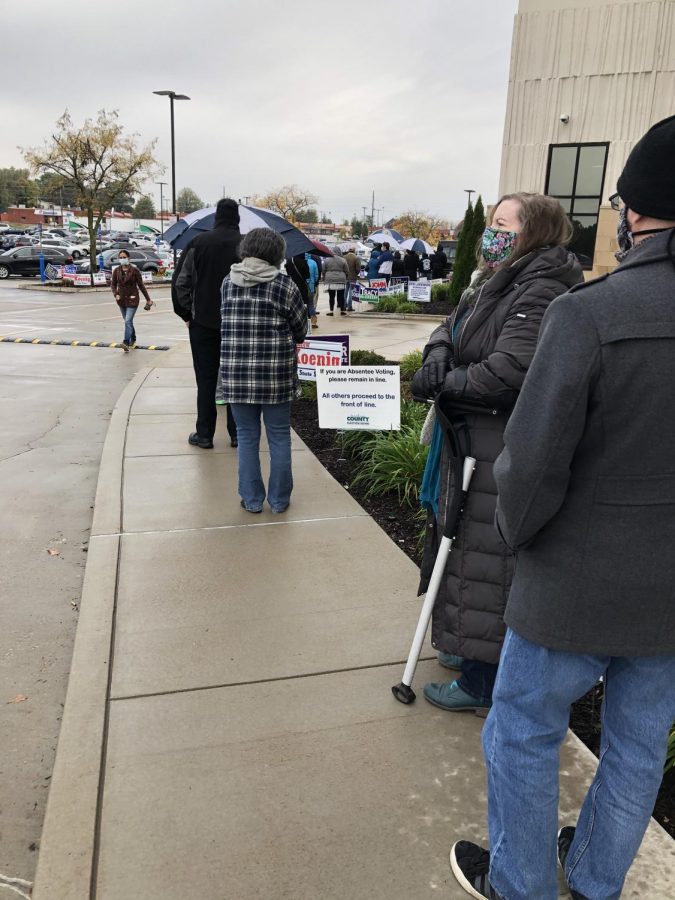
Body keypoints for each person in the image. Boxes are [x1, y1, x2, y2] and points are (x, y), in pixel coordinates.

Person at [450, 115, 675, 900]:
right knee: (638, 748)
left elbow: (533, 459)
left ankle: (519, 885)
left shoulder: (590, 312)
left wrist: (516, 535)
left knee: (522, 733)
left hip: (572, 579)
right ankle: (594, 881)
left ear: (636, 213)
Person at [411, 193, 583, 714]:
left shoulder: (541, 287)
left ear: (531, 232)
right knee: (461, 547)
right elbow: (452, 326)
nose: (491, 231)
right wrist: (438, 354)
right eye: (490, 221)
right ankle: (469, 650)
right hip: (468, 437)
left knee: (487, 558)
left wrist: (446, 385)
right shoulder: (493, 279)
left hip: (497, 442)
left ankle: (485, 682)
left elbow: (509, 372)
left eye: (501, 223)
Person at [220, 229, 308, 514]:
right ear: (277, 254)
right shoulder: (284, 286)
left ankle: (252, 499)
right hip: (275, 375)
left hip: (236, 374)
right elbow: (301, 328)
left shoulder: (227, 283)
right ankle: (280, 500)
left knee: (246, 437)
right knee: (279, 436)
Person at [173, 198, 241, 449]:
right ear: (237, 219)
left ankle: (204, 434)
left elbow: (181, 282)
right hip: (238, 325)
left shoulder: (198, 243)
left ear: (216, 218)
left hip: (203, 322)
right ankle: (237, 434)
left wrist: (186, 314)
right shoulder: (247, 244)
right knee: (236, 379)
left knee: (206, 379)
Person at [110, 249, 154, 351]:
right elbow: (113, 285)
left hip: (133, 299)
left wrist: (148, 299)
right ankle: (133, 339)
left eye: (124, 257)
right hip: (121, 300)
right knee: (127, 322)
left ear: (128, 258)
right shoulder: (116, 270)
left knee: (128, 320)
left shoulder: (134, 271)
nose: (122, 259)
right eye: (120, 258)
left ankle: (126, 342)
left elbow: (141, 286)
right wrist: (115, 294)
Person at [322, 251, 349, 316]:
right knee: (341, 296)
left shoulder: (326, 260)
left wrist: (325, 276)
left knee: (331, 296)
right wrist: (345, 277)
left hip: (330, 280)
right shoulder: (343, 260)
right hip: (341, 279)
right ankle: (342, 310)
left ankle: (331, 311)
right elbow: (347, 270)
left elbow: (323, 270)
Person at [343, 246, 361, 311]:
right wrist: (356, 273)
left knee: (345, 291)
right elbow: (358, 269)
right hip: (353, 277)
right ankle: (350, 306)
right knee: (351, 292)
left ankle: (344, 306)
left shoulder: (344, 257)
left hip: (345, 277)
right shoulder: (356, 258)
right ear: (354, 251)